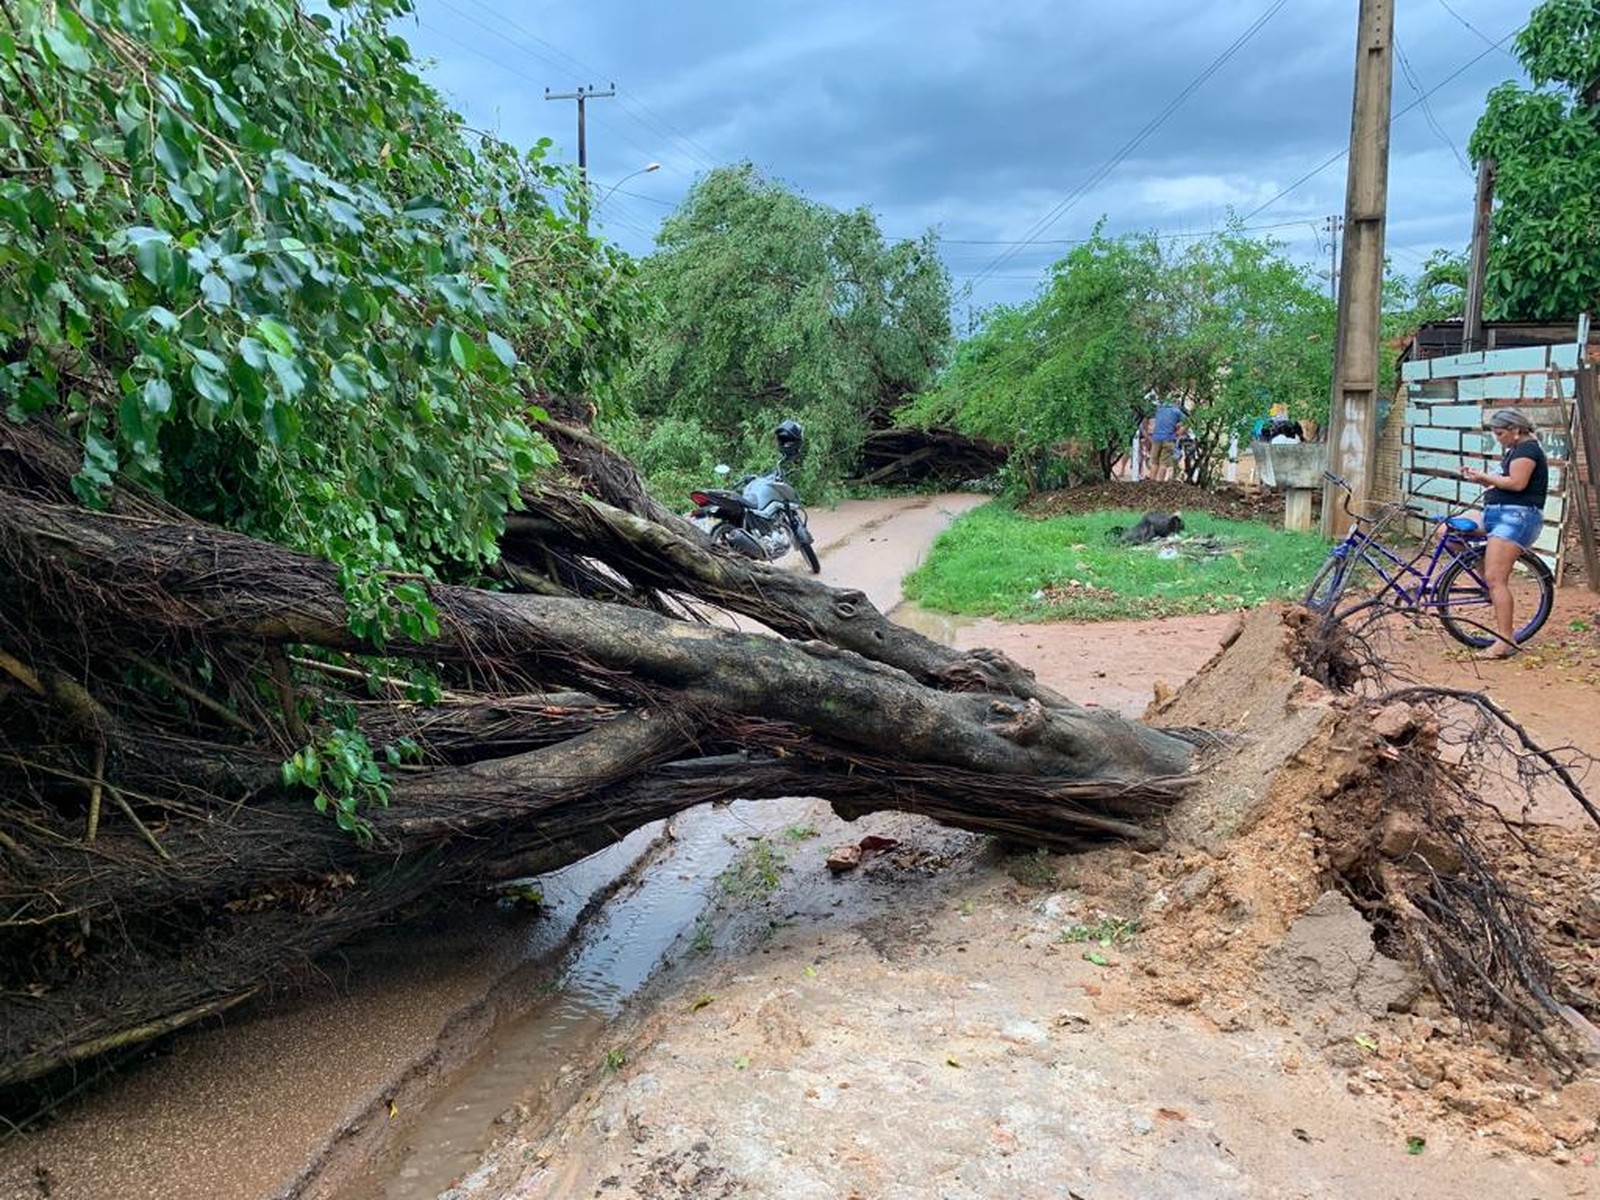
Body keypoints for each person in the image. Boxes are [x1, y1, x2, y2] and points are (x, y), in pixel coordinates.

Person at [1458, 408, 1547, 660]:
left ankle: (1505, 640)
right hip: (1495, 513)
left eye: (1500, 433)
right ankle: (1485, 582)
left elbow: (1517, 483)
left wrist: (1487, 476)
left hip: (1516, 518)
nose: (1498, 438)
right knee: (1448, 532)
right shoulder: (1515, 451)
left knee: (1497, 579)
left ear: (1515, 430)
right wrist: (1479, 478)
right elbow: (1504, 482)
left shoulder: (1528, 451)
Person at [1147, 400, 1186, 482]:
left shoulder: (1159, 410)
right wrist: (1180, 432)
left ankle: (1151, 483)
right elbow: (1188, 422)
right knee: (1163, 463)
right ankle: (1160, 483)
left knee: (1154, 462)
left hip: (1156, 438)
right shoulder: (1176, 411)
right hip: (1168, 439)